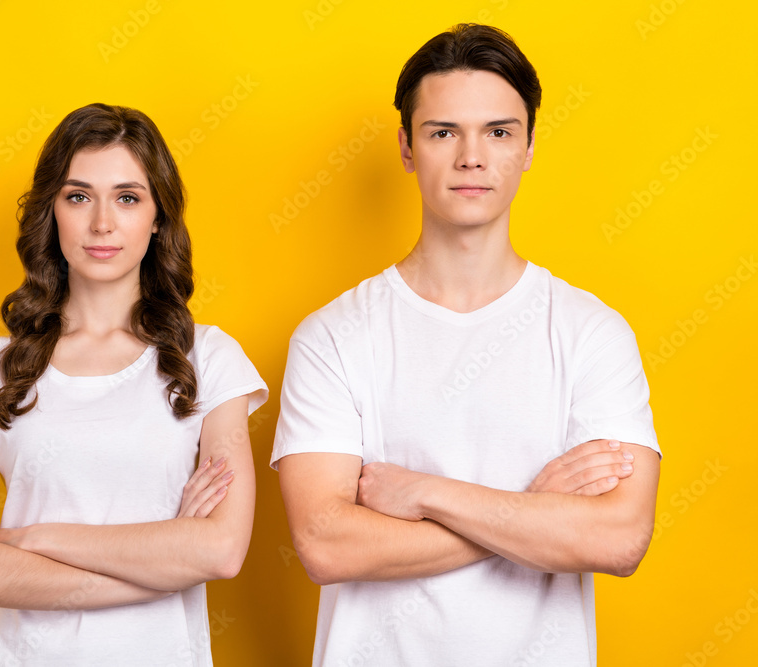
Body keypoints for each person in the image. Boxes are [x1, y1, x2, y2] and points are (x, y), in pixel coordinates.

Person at [272, 23, 661, 666]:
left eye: (499, 132)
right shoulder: (333, 337)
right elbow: (325, 544)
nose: (471, 157)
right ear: (406, 147)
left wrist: (427, 494)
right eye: (444, 132)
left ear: (529, 146)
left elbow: (619, 539)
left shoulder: (592, 332)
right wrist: (533, 514)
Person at [0, 103, 267, 666]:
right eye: (78, 196)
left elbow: (222, 550)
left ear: (158, 216)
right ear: (51, 211)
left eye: (127, 198)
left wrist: (41, 538)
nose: (102, 223)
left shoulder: (209, 359)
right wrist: (164, 558)